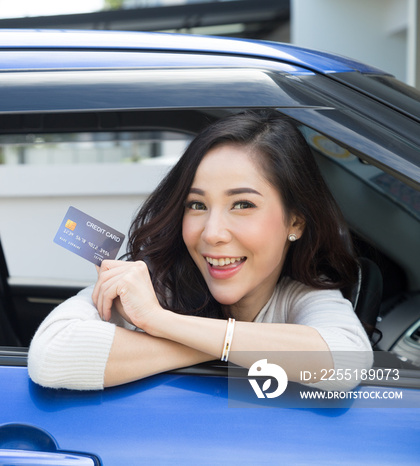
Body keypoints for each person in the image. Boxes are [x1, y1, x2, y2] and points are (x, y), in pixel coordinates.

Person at [28, 110, 373, 392]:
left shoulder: (299, 296)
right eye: (196, 205)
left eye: (242, 204)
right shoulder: (153, 279)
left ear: (295, 222)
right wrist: (209, 343)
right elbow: (52, 355)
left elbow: (346, 362)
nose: (212, 233)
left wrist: (160, 322)